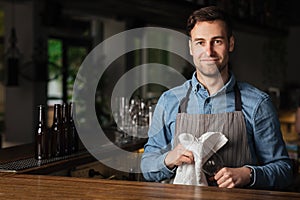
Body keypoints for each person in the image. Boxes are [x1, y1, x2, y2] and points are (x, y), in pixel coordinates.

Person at [141, 6, 293, 190]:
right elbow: (147, 166)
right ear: (191, 47)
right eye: (200, 42)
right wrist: (168, 159)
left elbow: (284, 171)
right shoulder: (169, 101)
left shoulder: (258, 104)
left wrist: (249, 174)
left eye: (217, 41)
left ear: (230, 43)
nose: (209, 51)